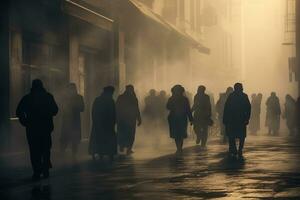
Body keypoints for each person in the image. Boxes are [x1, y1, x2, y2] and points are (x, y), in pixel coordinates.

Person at [16, 79, 58, 180]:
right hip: (45, 128)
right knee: (46, 149)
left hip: (32, 129)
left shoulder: (27, 98)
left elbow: (19, 112)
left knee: (34, 151)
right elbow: (55, 110)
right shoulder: (48, 97)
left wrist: (25, 122)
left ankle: (37, 171)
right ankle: (45, 169)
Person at [89, 86, 117, 161]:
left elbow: (93, 111)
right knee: (106, 138)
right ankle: (108, 153)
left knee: (99, 138)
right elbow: (113, 112)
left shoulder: (98, 100)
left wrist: (95, 121)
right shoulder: (110, 101)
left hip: (101, 123)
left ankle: (100, 153)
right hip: (106, 123)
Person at [223, 83, 251, 158]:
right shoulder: (244, 96)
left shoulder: (231, 96)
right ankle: (239, 149)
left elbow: (226, 108)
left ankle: (235, 149)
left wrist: (225, 119)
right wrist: (247, 118)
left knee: (232, 135)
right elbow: (248, 108)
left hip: (233, 119)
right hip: (241, 119)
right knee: (241, 136)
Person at [167, 85, 193, 154]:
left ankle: (179, 148)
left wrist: (191, 119)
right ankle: (179, 148)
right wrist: (190, 119)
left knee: (179, 134)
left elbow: (188, 109)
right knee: (178, 134)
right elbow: (168, 106)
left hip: (178, 118)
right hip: (177, 118)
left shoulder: (174, 99)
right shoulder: (182, 99)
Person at [116, 85, 142, 155]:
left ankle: (124, 147)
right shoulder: (133, 98)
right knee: (129, 134)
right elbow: (136, 109)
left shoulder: (121, 97)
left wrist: (139, 118)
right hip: (129, 119)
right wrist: (139, 118)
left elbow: (117, 108)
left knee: (124, 133)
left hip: (124, 119)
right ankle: (127, 148)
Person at [60, 83, 84, 157]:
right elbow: (61, 108)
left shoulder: (78, 97)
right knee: (66, 138)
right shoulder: (67, 98)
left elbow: (82, 108)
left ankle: (72, 155)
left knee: (73, 139)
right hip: (69, 120)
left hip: (73, 120)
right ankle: (65, 154)